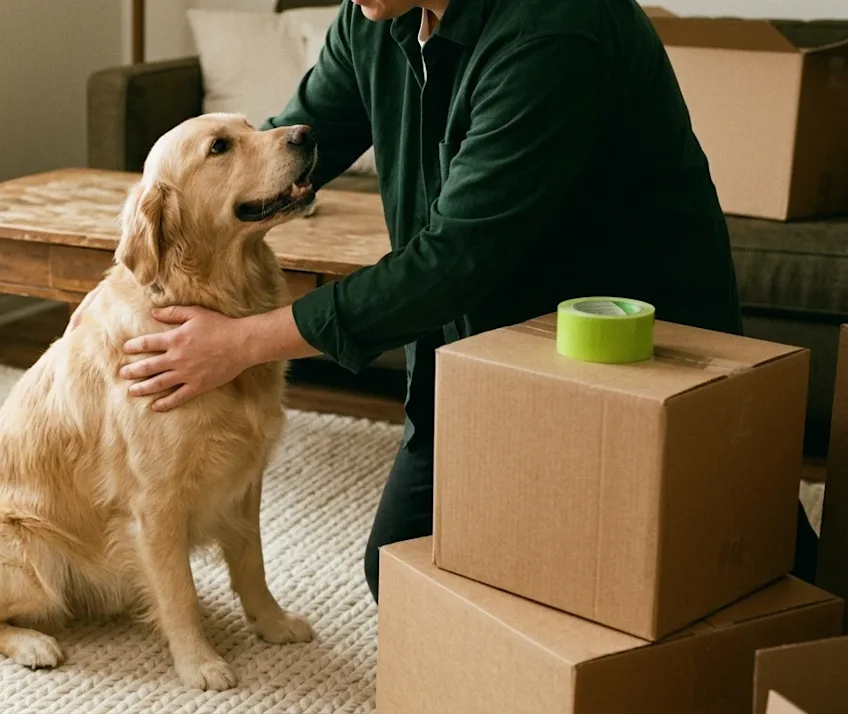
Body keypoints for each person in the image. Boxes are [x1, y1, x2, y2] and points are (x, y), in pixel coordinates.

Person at [80, 0, 820, 601]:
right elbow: (286, 162)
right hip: (477, 356)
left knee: (699, 578)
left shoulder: (558, 27)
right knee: (406, 580)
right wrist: (142, 276)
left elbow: (451, 262)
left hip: (637, 359)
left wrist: (238, 342)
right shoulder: (373, 20)